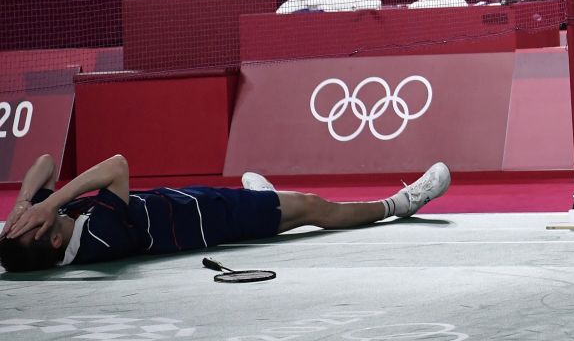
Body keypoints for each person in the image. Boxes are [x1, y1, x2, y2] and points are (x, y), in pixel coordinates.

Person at [0, 153, 451, 272]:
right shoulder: (95, 237)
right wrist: (49, 203)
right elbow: (117, 166)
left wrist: (25, 202)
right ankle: (402, 202)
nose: (26, 219)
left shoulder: (54, 227)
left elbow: (45, 161)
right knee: (313, 208)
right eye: (27, 226)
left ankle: (268, 198)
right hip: (218, 221)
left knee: (285, 207)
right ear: (53, 239)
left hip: (192, 203)